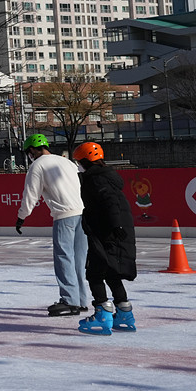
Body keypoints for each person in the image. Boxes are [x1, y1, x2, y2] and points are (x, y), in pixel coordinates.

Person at [15, 134, 89, 316]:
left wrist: (21, 217)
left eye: (28, 152)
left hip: (64, 216)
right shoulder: (68, 162)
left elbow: (30, 195)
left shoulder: (37, 166)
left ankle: (69, 301)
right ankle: (81, 300)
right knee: (79, 260)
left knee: (64, 257)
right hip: (83, 213)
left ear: (32, 150)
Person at [72, 142, 137, 335]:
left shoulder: (95, 179)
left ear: (86, 161)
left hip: (106, 231)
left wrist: (115, 224)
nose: (78, 166)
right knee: (112, 273)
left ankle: (102, 314)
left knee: (94, 273)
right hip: (113, 230)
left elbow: (109, 201)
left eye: (79, 162)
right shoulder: (106, 177)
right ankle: (124, 312)